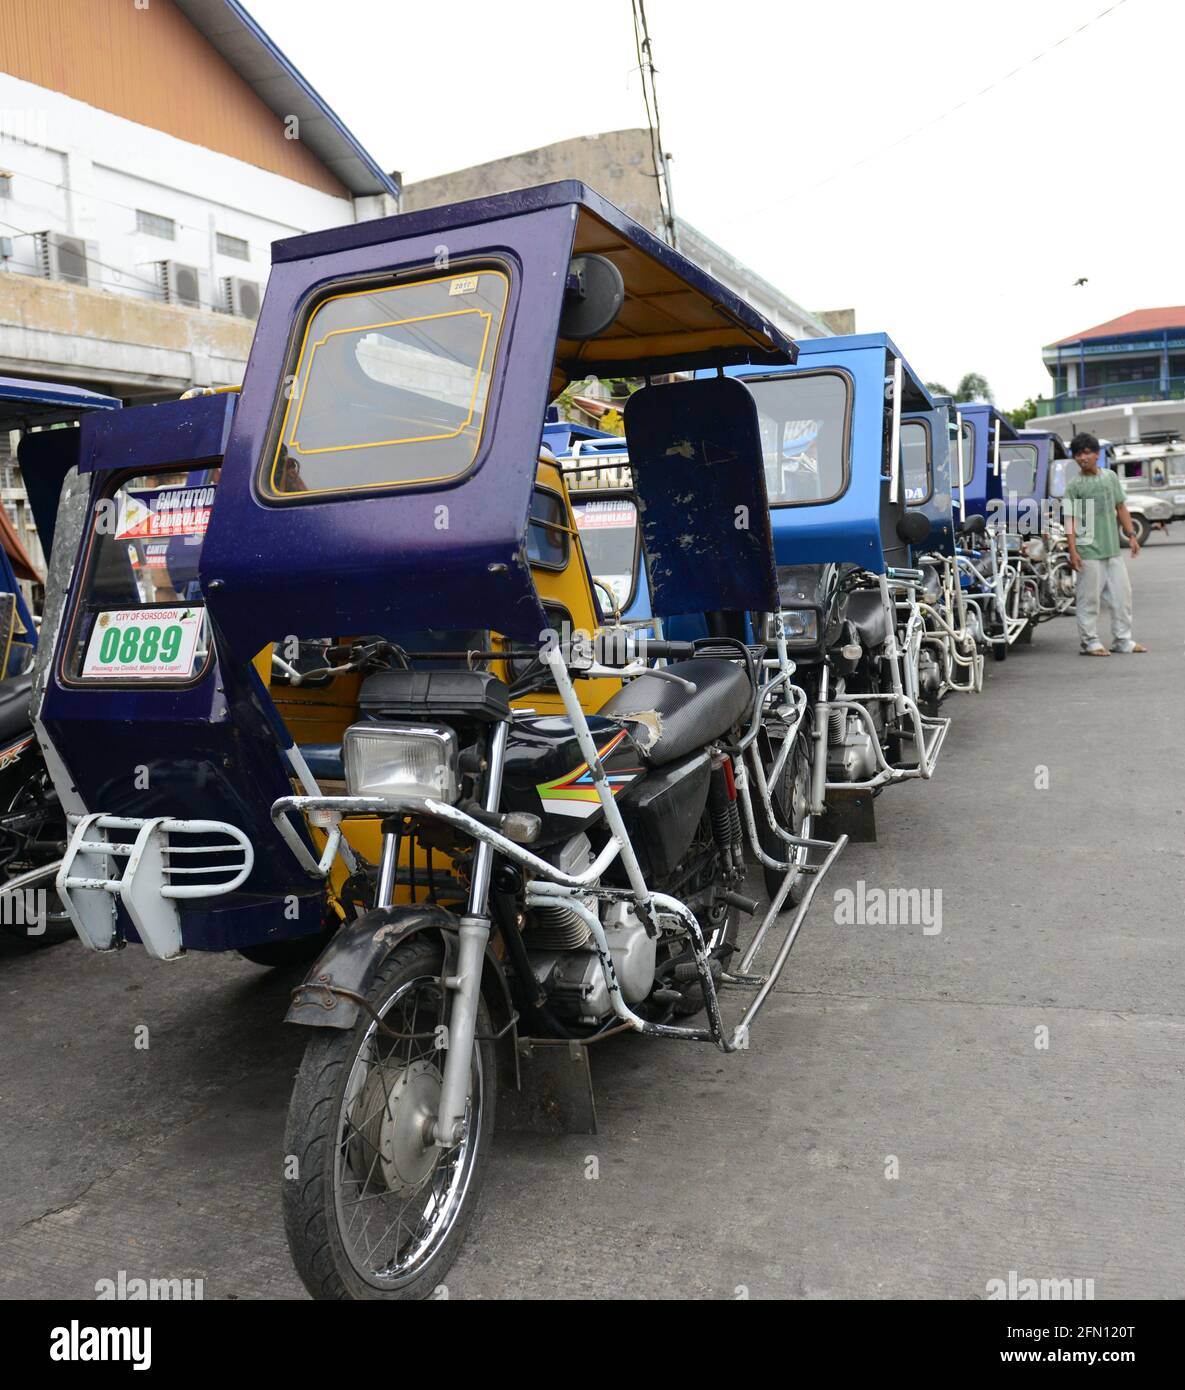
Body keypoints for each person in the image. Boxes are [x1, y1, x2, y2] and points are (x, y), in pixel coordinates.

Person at [1064, 432, 1146, 656]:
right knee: (1089, 600)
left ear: (1097, 454)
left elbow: (1120, 507)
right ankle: (1090, 642)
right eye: (1078, 454)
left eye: (1087, 452)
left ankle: (1122, 640)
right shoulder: (1073, 486)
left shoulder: (1110, 477)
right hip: (1088, 550)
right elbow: (1069, 520)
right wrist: (1073, 552)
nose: (1083, 458)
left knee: (1122, 597)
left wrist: (1131, 535)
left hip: (1112, 549)